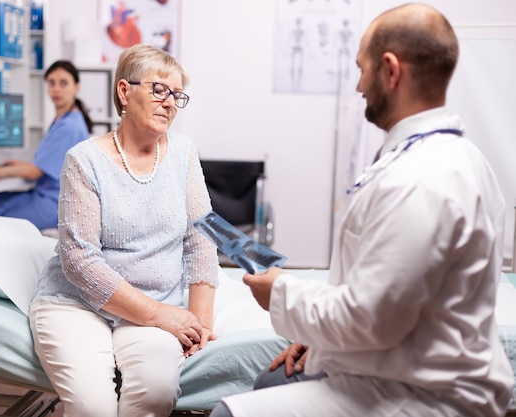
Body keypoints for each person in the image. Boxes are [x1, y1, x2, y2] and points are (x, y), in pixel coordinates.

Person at [210, 3, 514, 417]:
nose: (359, 86)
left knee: (229, 413)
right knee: (271, 380)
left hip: (423, 394)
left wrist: (280, 291)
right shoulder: (454, 155)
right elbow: (388, 287)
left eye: (362, 69)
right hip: (409, 360)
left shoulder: (421, 180)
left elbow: (374, 320)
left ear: (391, 70)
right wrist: (321, 335)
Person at [28, 44, 219, 417]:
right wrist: (160, 315)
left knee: (157, 392)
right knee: (92, 406)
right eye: (159, 90)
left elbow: (202, 237)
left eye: (177, 95)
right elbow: (80, 262)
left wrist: (201, 323)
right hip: (77, 304)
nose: (169, 103)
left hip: (157, 300)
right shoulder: (83, 160)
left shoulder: (183, 152)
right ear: (124, 91)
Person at [0, 60, 92, 231]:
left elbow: (35, 172)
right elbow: (46, 165)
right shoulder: (63, 119)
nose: (56, 88)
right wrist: (18, 166)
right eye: (51, 83)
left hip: (55, 202)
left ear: (76, 87)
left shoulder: (70, 126)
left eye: (63, 83)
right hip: (44, 193)